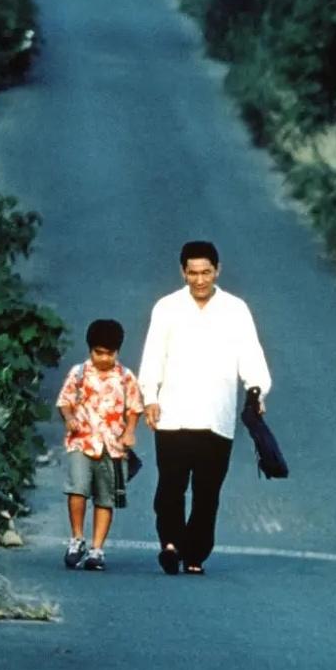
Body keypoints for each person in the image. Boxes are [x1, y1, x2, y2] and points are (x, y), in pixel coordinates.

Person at [139, 240, 272, 575]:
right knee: (170, 484)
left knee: (207, 490)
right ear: (183, 272)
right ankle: (170, 543)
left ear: (217, 271)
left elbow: (251, 355)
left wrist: (256, 391)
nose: (200, 280)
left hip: (216, 415)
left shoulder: (235, 310)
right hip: (173, 413)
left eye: (206, 272)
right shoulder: (167, 308)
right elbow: (153, 355)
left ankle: (195, 552)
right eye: (193, 273)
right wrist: (150, 398)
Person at [56, 319, 143, 571]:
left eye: (110, 353)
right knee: (77, 489)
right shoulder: (79, 373)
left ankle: (97, 548)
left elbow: (134, 408)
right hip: (82, 440)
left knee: (105, 498)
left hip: (112, 446)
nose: (104, 358)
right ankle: (76, 539)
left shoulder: (125, 377)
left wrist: (129, 432)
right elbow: (65, 401)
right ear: (90, 350)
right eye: (98, 353)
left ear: (117, 352)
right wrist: (70, 418)